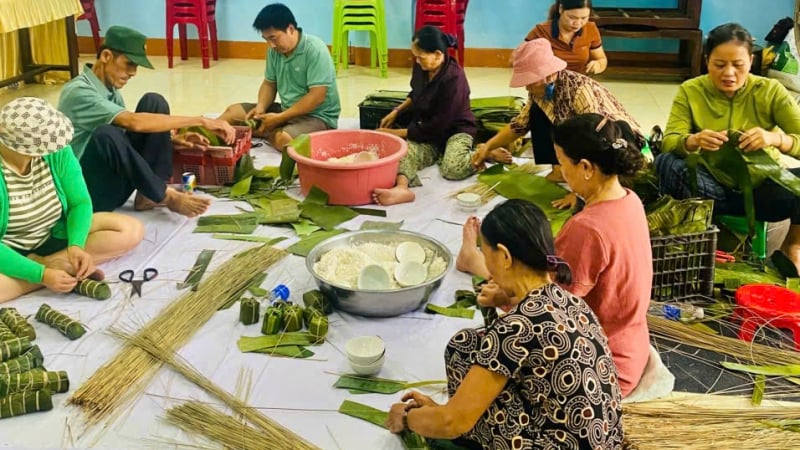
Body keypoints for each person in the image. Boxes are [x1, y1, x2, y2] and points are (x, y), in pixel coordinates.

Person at [385, 199, 625, 449]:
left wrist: (406, 417)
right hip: (604, 440)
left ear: (506, 257)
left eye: (486, 256)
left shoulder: (516, 327)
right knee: (466, 346)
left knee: (465, 360)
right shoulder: (571, 302)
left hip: (561, 444)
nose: (487, 267)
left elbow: (451, 423)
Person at [458, 113, 652, 398]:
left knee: (466, 352)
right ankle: (480, 265)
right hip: (630, 348)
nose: (561, 173)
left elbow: (548, 313)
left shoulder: (587, 229)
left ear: (586, 167)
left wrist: (503, 299)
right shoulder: (630, 200)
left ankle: (477, 264)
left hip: (600, 371)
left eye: (563, 164)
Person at [656, 23, 800, 277]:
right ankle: (695, 232)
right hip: (711, 191)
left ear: (751, 61)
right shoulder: (691, 90)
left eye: (738, 65)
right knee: (666, 163)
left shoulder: (769, 91)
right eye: (719, 65)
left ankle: (793, 245)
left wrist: (776, 139)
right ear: (706, 61)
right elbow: (670, 140)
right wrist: (693, 141)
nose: (729, 73)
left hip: (761, 190)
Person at [58, 25, 235, 217]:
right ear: (106, 56)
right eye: (129, 64)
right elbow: (132, 123)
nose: (133, 72)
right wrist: (201, 120)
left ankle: (148, 194)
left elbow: (124, 142)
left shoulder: (110, 90)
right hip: (86, 194)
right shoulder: (79, 92)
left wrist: (170, 142)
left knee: (154, 101)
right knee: (107, 134)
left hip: (111, 184)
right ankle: (165, 196)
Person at [0, 98, 144, 303]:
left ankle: (49, 263)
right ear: (22, 147)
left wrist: (76, 246)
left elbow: (80, 203)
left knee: (130, 230)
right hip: (8, 249)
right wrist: (42, 275)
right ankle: (39, 272)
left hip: (53, 234)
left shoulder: (57, 150)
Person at [471, 39, 641, 203]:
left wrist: (580, 194)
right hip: (586, 137)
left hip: (615, 141)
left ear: (550, 75)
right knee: (535, 113)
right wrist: (488, 146)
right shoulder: (539, 92)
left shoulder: (580, 90)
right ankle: (558, 170)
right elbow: (519, 126)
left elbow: (597, 140)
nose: (526, 87)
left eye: (530, 81)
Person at [372, 26, 497, 206]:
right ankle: (402, 188)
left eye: (420, 57)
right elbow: (416, 93)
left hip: (454, 130)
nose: (417, 61)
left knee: (452, 169)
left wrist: (397, 133)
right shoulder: (422, 66)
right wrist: (397, 111)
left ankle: (484, 153)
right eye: (415, 56)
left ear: (438, 54)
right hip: (427, 132)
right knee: (401, 152)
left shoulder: (454, 78)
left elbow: (439, 124)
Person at [218, 3, 341, 151]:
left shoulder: (315, 50)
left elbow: (317, 96)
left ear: (290, 29)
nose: (271, 45)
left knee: (283, 140)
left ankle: (270, 131)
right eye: (266, 39)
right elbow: (269, 84)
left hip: (317, 117)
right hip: (286, 110)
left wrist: (279, 119)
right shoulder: (274, 50)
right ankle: (204, 134)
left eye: (274, 38)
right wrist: (261, 108)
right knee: (232, 112)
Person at [526, 0, 608, 75]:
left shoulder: (590, 29)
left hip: (578, 82)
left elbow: (601, 59)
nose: (578, 23)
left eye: (584, 18)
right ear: (561, 9)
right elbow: (519, 58)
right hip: (546, 83)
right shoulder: (541, 31)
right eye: (572, 17)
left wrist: (598, 65)